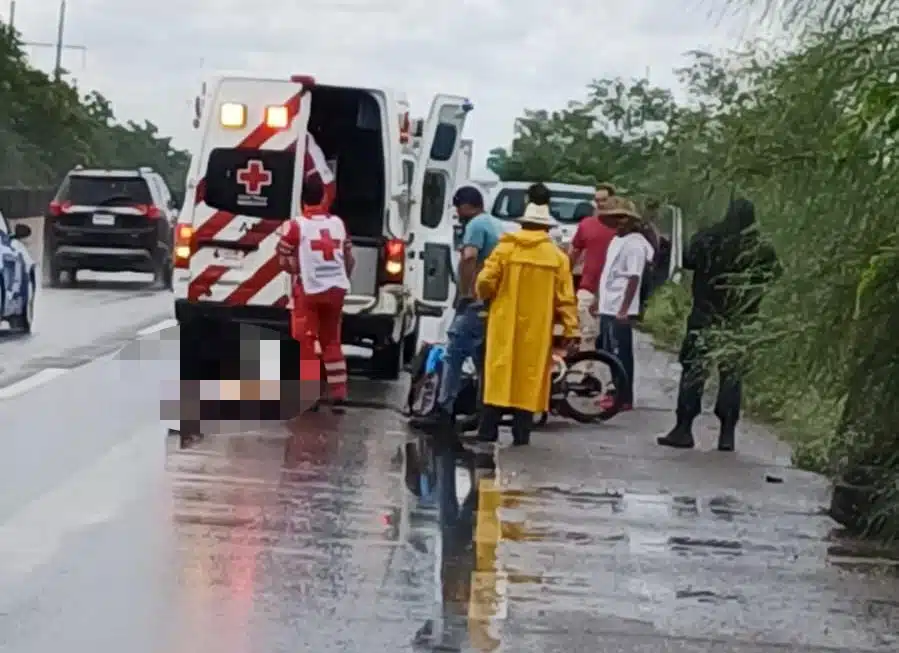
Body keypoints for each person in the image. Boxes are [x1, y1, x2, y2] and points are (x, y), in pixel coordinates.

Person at [657, 197, 780, 452]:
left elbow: (688, 261)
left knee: (694, 371)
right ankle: (726, 435)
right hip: (740, 320)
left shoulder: (708, 238)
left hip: (705, 315)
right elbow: (774, 274)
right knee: (732, 376)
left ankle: (683, 429)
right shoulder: (760, 247)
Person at [475, 201, 579, 446]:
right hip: (537, 328)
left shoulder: (505, 249)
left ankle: (487, 431)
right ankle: (521, 435)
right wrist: (571, 329)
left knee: (499, 373)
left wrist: (488, 297)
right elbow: (566, 298)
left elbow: (484, 282)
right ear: (545, 228)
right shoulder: (557, 258)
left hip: (503, 324)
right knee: (529, 378)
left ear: (524, 223)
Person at [409, 185, 503, 435]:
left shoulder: (475, 226)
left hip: (476, 302)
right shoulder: (494, 224)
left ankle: (443, 410)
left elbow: (469, 257)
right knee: (483, 360)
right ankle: (484, 414)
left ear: (467, 206)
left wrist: (465, 292)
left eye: (457, 206)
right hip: (492, 303)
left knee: (454, 353)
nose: (457, 212)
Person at [276, 176, 354, 410]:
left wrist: (296, 269)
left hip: (309, 291)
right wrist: (341, 277)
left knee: (306, 342)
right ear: (324, 197)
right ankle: (339, 393)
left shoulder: (296, 226)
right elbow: (349, 259)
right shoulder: (338, 224)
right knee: (332, 341)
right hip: (336, 290)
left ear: (302, 200)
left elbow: (283, 260)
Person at [591, 197, 655, 412]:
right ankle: (614, 390)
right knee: (609, 351)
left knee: (621, 353)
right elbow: (608, 273)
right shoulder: (617, 240)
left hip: (620, 306)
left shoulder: (635, 244)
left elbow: (634, 278)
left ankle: (624, 396)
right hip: (609, 304)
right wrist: (599, 300)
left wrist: (624, 309)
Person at [568, 185, 620, 351]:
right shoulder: (587, 224)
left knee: (609, 336)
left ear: (613, 199)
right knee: (586, 331)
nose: (600, 204)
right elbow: (574, 251)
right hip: (588, 286)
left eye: (604, 200)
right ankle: (585, 371)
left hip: (614, 288)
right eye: (597, 200)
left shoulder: (621, 227)